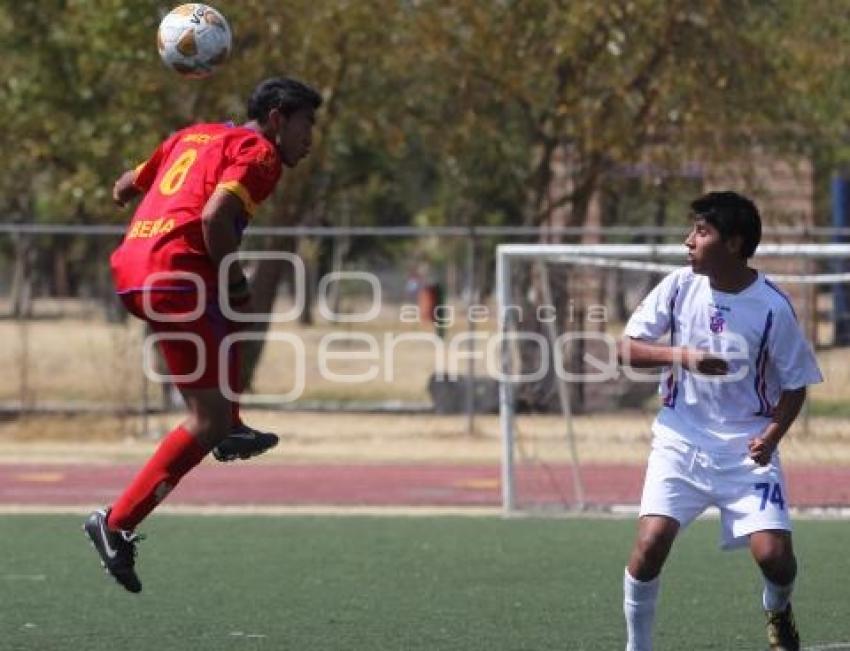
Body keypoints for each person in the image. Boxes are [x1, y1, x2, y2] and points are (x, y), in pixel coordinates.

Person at [84, 77, 322, 593]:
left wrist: (136, 192)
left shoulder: (193, 135)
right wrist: (236, 279)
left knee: (227, 313)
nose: (310, 139)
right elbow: (215, 217)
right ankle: (116, 523)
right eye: (307, 124)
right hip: (173, 274)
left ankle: (230, 424)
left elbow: (125, 186)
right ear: (278, 118)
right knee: (204, 415)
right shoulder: (261, 154)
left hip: (136, 265)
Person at [618, 191, 822, 651]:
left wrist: (771, 436)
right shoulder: (676, 286)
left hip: (746, 450)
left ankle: (778, 606)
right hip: (679, 438)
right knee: (650, 545)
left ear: (732, 243)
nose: (689, 241)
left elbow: (796, 384)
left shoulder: (772, 307)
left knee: (775, 558)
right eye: (691, 230)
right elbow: (626, 348)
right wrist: (682, 356)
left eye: (701, 232)